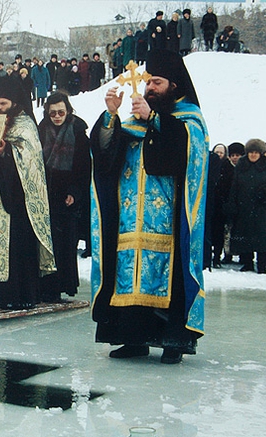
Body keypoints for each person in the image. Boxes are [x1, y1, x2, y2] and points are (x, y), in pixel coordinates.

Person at [89, 50, 209, 364]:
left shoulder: (189, 119)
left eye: (157, 82)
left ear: (174, 85)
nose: (150, 87)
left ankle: (173, 342)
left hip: (169, 221)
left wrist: (154, 120)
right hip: (129, 220)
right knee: (127, 275)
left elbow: (182, 154)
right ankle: (133, 339)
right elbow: (104, 158)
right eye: (148, 82)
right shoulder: (132, 123)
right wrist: (111, 118)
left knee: (170, 278)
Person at [0, 75, 55, 310]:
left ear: (14, 103)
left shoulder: (25, 126)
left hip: (12, 199)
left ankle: (13, 293)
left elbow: (30, 161)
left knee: (13, 245)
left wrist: (6, 152)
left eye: (3, 104)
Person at [37, 91, 90, 302]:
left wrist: (75, 192)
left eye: (61, 112)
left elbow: (84, 165)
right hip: (45, 192)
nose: (57, 116)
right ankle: (44, 286)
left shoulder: (77, 131)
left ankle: (60, 286)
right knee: (45, 241)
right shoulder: (41, 130)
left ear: (68, 111)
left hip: (67, 195)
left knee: (64, 243)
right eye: (53, 113)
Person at [226, 139, 266, 274]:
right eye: (251, 152)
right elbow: (234, 186)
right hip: (243, 207)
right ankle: (247, 262)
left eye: (256, 152)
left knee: (261, 237)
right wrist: (232, 204)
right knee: (245, 235)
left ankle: (261, 265)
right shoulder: (241, 164)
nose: (253, 155)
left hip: (261, 208)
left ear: (260, 153)